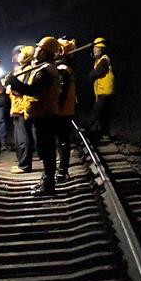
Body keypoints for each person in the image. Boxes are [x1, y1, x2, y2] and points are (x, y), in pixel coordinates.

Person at [4, 36, 61, 195]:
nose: (36, 50)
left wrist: (13, 82)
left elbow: (34, 91)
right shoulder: (43, 68)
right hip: (40, 114)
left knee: (46, 150)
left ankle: (48, 184)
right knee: (44, 149)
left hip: (45, 115)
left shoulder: (46, 72)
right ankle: (46, 180)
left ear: (44, 52)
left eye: (40, 48)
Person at [5, 45, 37, 173]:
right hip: (18, 107)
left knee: (23, 137)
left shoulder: (28, 69)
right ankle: (22, 164)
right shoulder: (23, 69)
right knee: (21, 136)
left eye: (22, 54)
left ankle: (24, 165)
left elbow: (22, 90)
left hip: (22, 107)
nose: (19, 56)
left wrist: (10, 87)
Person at [55, 38, 78, 181]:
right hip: (66, 110)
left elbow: (61, 93)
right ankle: (62, 170)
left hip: (61, 111)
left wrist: (55, 108)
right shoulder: (66, 66)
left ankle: (62, 172)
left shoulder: (62, 69)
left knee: (62, 141)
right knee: (62, 140)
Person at [84, 37, 115, 136]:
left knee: (95, 111)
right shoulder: (99, 60)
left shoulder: (104, 60)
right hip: (104, 91)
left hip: (104, 92)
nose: (95, 50)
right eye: (95, 48)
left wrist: (88, 77)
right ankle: (105, 132)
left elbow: (98, 72)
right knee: (104, 113)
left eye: (97, 48)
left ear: (101, 49)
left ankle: (85, 129)